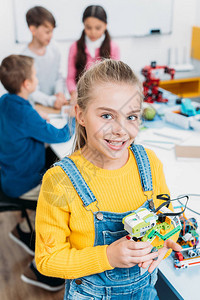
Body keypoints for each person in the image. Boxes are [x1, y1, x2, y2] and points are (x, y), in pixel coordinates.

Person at [35, 59, 181, 299]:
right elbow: (48, 260)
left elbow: (168, 220)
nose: (120, 130)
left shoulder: (149, 163)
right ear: (80, 115)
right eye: (106, 116)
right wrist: (108, 256)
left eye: (131, 117)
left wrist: (162, 247)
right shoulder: (60, 181)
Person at [0, 54, 75, 291]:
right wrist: (73, 119)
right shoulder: (25, 112)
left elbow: (21, 124)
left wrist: (36, 120)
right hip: (23, 182)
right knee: (66, 202)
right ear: (27, 84)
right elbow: (61, 135)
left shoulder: (6, 101)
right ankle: (42, 269)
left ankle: (24, 231)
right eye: (34, 75)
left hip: (10, 175)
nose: (37, 78)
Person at [66, 5, 120, 103]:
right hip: (81, 99)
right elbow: (70, 78)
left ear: (105, 25)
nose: (93, 32)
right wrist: (74, 93)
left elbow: (115, 79)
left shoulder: (113, 48)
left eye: (98, 28)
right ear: (83, 25)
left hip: (104, 99)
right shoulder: (74, 47)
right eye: (88, 27)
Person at [22, 6, 68, 109]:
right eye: (47, 32)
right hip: (37, 107)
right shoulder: (25, 58)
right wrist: (52, 101)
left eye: (52, 31)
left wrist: (59, 93)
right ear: (33, 30)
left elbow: (58, 77)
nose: (51, 36)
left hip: (55, 105)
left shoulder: (54, 49)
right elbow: (31, 91)